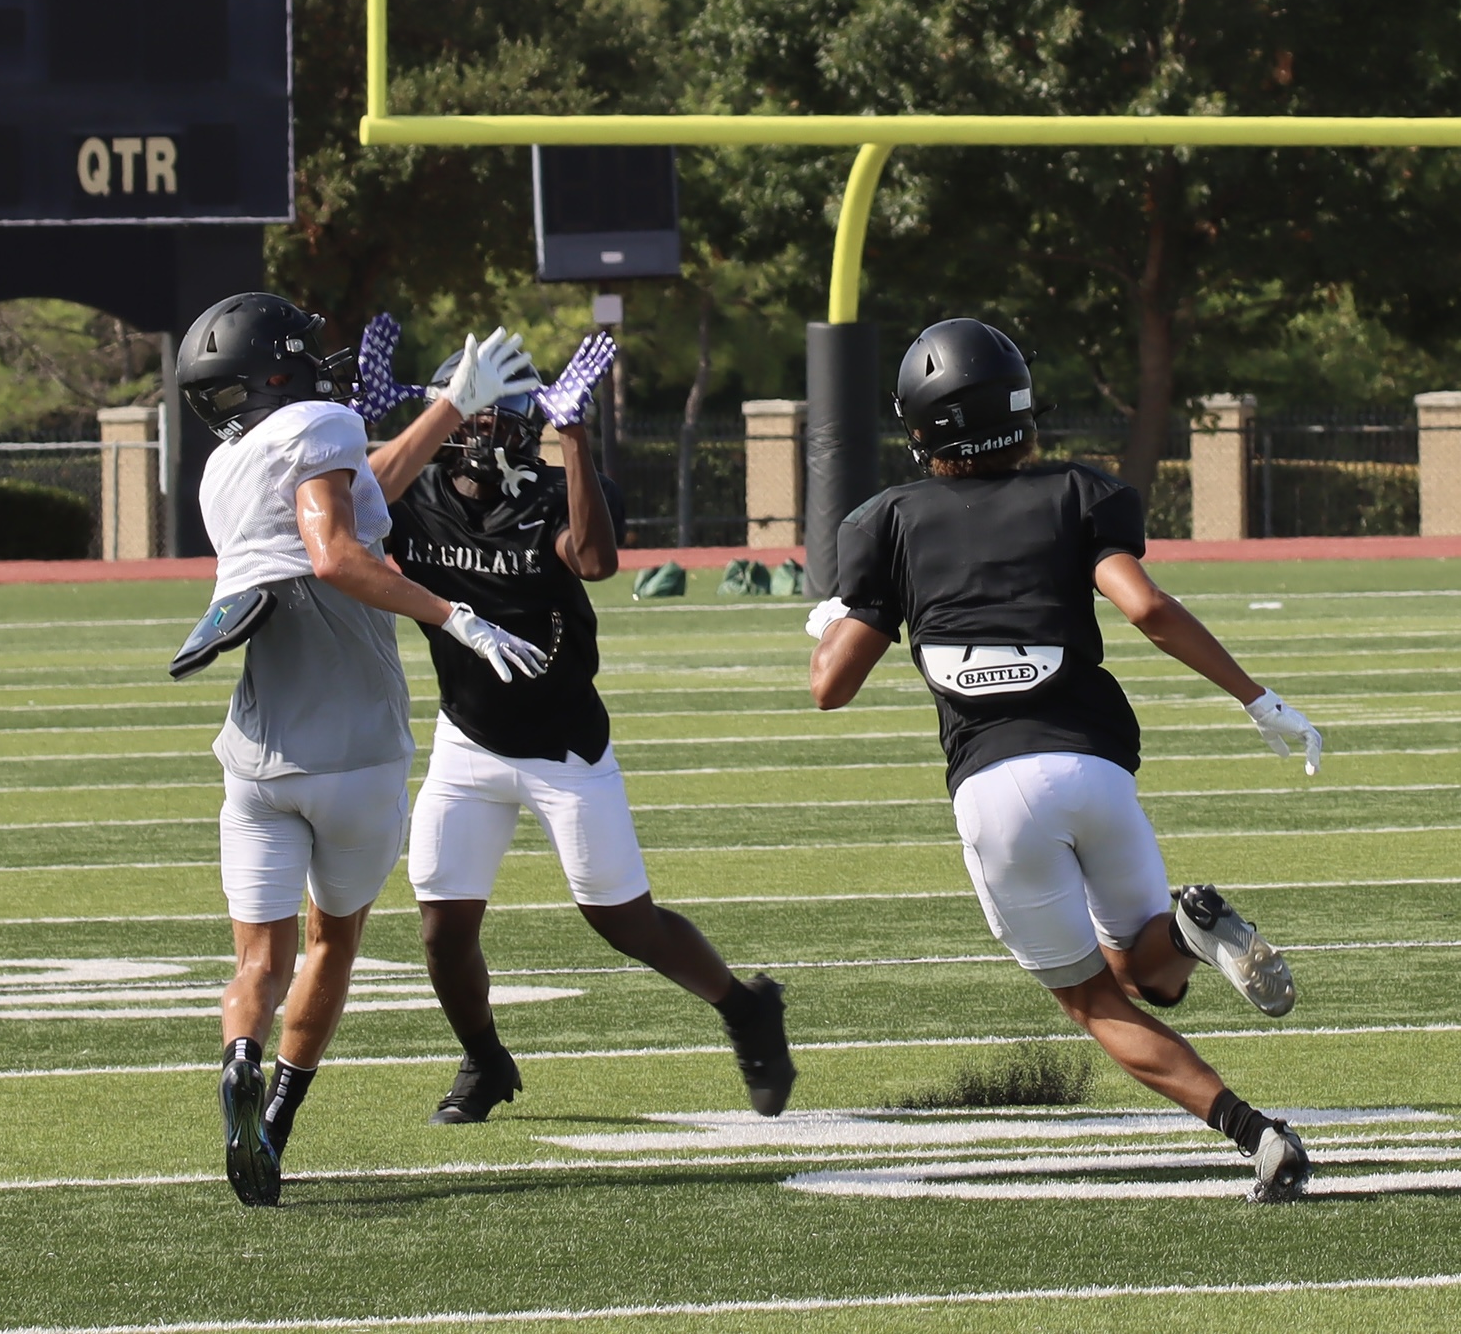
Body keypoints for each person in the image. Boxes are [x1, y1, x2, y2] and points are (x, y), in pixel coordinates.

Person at [806, 318, 1322, 1204]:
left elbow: (831, 688)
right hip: (1096, 769)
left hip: (995, 789)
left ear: (921, 425)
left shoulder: (888, 520)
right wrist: (1255, 696)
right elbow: (1147, 607)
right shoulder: (1077, 494)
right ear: (1020, 409)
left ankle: (1257, 1134)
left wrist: (834, 622)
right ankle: (1192, 929)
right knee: (1152, 972)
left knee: (1096, 999)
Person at [354, 315, 797, 1124]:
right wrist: (365, 416)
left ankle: (744, 1006)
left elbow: (594, 560)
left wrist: (576, 439)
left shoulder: (557, 487)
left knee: (624, 920)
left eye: (501, 420)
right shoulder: (412, 494)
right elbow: (349, 500)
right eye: (475, 417)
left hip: (562, 744)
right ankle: (485, 1061)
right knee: (440, 928)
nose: (487, 434)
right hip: (468, 734)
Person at [175, 292, 549, 1207]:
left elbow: (360, 484)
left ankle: (238, 1059)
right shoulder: (320, 420)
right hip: (356, 752)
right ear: (281, 367)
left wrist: (450, 405)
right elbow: (340, 549)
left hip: (258, 751)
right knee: (331, 942)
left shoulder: (227, 467)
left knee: (255, 964)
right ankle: (276, 1124)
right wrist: (454, 614)